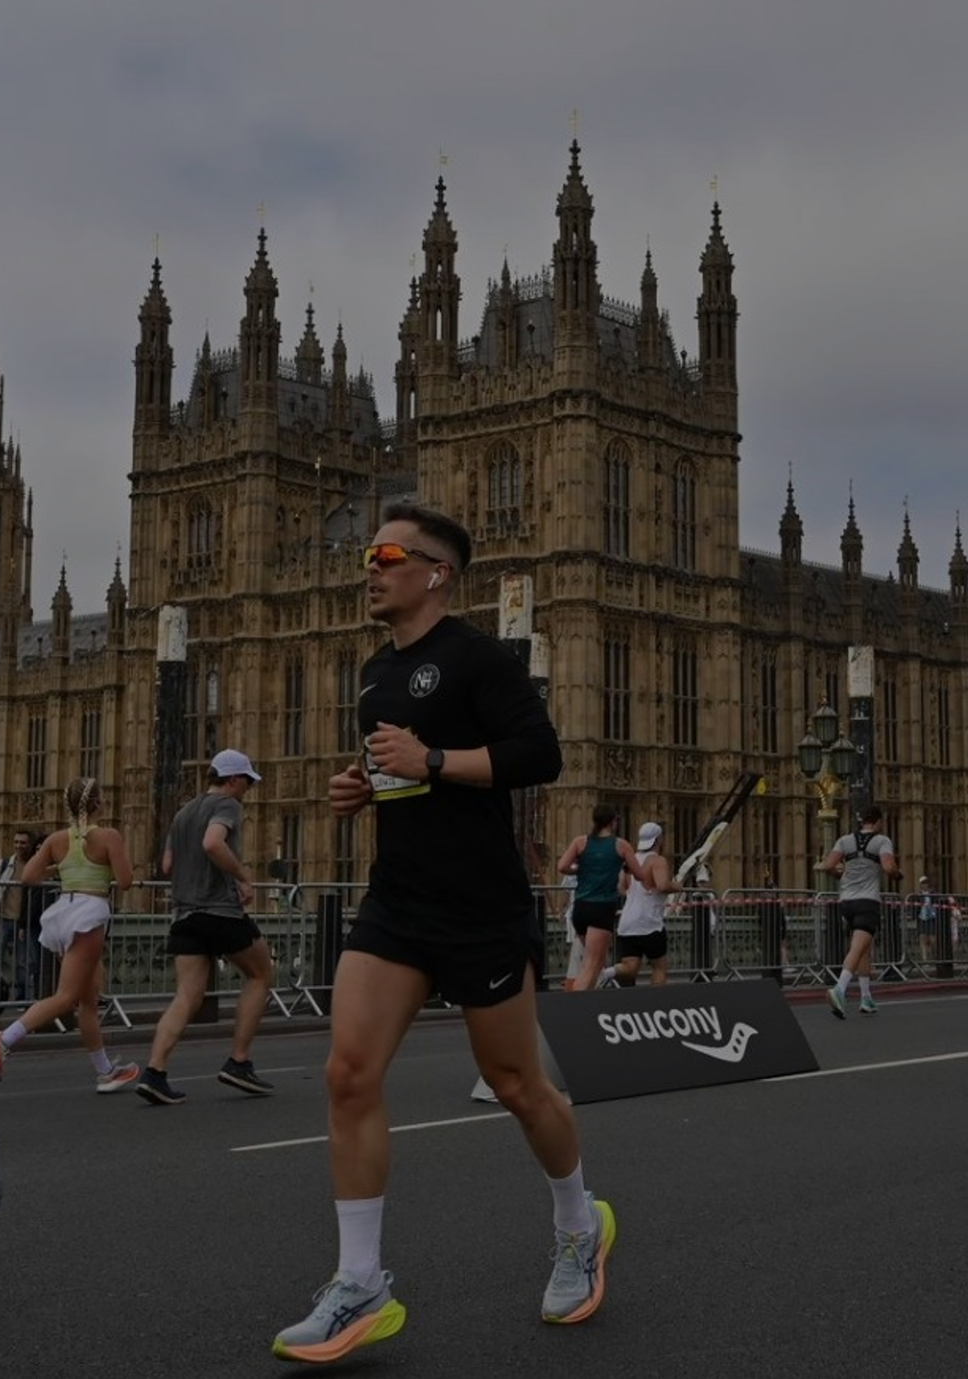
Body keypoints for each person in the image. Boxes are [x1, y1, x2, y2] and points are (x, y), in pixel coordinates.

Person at [276, 505, 601, 1363]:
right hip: (397, 904)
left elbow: (540, 754)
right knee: (348, 1073)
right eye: (367, 553)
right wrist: (362, 785)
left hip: (481, 907)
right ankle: (361, 1284)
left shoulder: (478, 657)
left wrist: (431, 761)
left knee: (519, 1085)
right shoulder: (377, 672)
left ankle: (578, 1222)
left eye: (385, 554)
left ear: (435, 573)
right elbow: (401, 771)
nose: (369, 568)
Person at [0, 778, 141, 1094]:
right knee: (66, 997)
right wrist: (107, 865)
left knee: (88, 1001)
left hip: (63, 913)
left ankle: (105, 1071)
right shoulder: (108, 836)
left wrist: (61, 868)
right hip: (88, 915)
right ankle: (3, 1039)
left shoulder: (57, 839)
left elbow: (28, 877)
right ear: (97, 804)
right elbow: (124, 881)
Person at [136, 748, 277, 1104]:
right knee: (262, 974)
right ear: (231, 780)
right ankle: (238, 1062)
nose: (248, 788)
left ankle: (154, 1072)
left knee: (186, 996)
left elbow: (168, 864)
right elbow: (213, 843)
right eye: (246, 781)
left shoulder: (184, 812)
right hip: (219, 911)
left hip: (184, 913)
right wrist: (243, 876)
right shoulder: (227, 805)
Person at [824, 806, 899, 1016]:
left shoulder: (844, 840)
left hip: (846, 901)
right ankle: (840, 989)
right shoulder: (882, 841)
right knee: (857, 948)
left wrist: (843, 877)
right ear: (877, 822)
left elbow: (829, 865)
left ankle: (866, 998)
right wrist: (897, 874)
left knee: (865, 947)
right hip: (867, 901)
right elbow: (888, 867)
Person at [558, 808, 633, 992]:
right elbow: (638, 873)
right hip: (601, 908)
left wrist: (580, 870)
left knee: (596, 962)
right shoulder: (621, 845)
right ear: (613, 821)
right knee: (590, 965)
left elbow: (562, 866)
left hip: (580, 909)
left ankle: (588, 1008)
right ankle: (572, 1010)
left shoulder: (580, 842)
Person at [612, 823, 672, 987]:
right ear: (658, 840)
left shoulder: (630, 860)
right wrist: (677, 885)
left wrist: (636, 895)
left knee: (630, 968)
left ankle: (606, 973)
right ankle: (657, 1004)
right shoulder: (657, 861)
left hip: (627, 922)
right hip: (649, 923)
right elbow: (662, 885)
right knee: (659, 967)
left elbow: (621, 889)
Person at [0, 829, 33, 1003]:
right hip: (2, 919)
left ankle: (21, 998)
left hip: (23, 923)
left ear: (29, 844)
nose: (18, 846)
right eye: (16, 842)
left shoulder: (34, 866)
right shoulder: (3, 865)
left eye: (22, 843)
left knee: (22, 963)